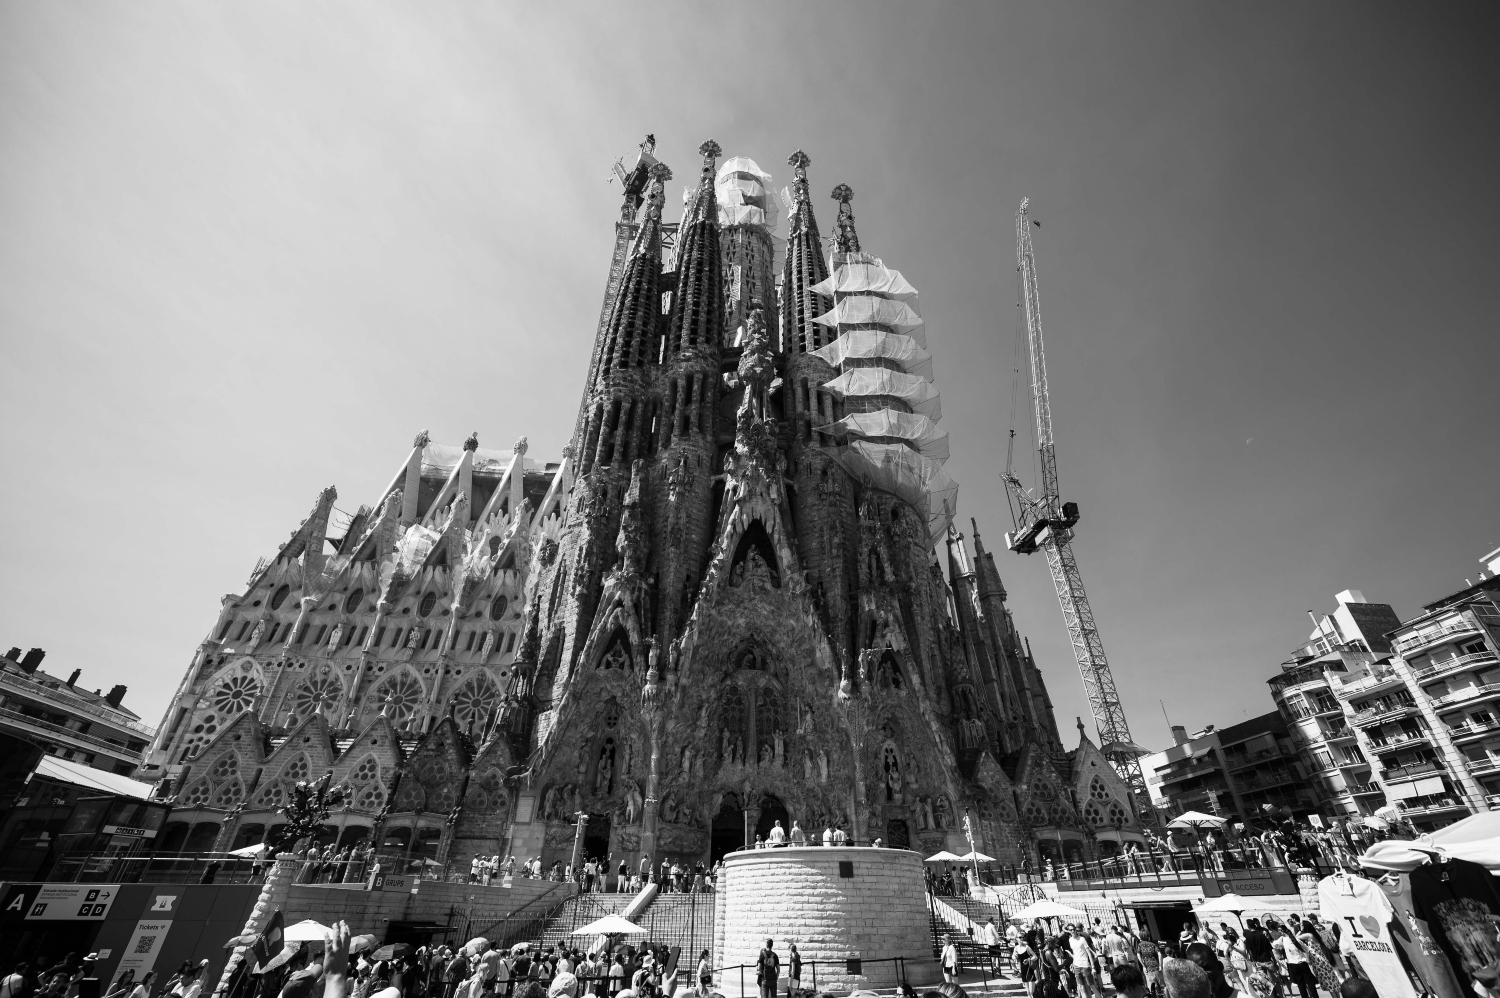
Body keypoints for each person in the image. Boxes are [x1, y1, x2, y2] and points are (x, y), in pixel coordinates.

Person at [1239, 920, 1277, 998]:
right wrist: (1274, 960)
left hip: (1258, 962)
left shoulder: (1248, 937)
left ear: (1248, 926)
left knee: (1262, 981)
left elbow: (1250, 950)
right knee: (1274, 980)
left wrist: (1253, 961)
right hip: (1267, 960)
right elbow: (1269, 949)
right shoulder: (1262, 935)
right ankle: (1278, 995)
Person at [1069, 926, 1100, 998]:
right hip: (1077, 966)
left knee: (1092, 986)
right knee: (1081, 988)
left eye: (1073, 929)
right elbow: (1075, 953)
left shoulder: (1082, 939)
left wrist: (1093, 967)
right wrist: (1073, 963)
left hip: (1085, 966)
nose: (1072, 931)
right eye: (1071, 930)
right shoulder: (1070, 940)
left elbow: (1089, 953)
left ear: (1076, 930)